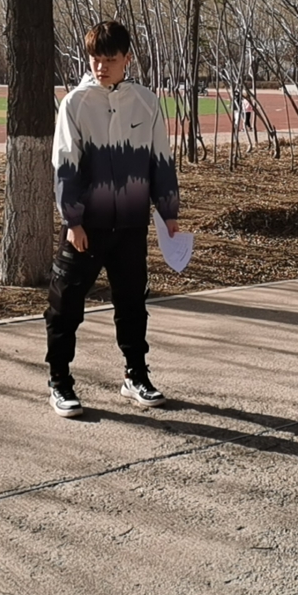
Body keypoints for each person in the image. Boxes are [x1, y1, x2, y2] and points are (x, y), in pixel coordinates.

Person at [45, 21, 180, 417]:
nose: (102, 67)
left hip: (131, 226)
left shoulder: (146, 102)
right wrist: (73, 221)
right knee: (65, 305)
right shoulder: (75, 103)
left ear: (127, 59)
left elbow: (160, 159)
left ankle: (136, 375)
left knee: (132, 304)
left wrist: (168, 211)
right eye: (95, 59)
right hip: (86, 227)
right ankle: (59, 381)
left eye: (110, 59)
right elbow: (65, 164)